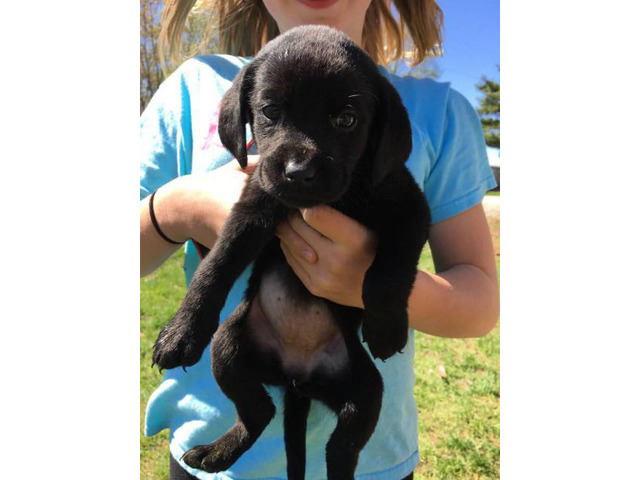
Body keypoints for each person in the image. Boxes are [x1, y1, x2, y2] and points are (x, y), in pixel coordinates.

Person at [140, 1, 499, 478]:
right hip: (217, 450)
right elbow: (227, 251)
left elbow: (412, 218)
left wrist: (382, 295)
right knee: (228, 353)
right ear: (242, 116)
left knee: (363, 396)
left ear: (378, 132)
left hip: (375, 455)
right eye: (272, 113)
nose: (298, 162)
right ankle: (249, 424)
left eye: (345, 121)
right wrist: (176, 207)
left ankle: (341, 458)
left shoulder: (437, 114)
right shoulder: (194, 87)